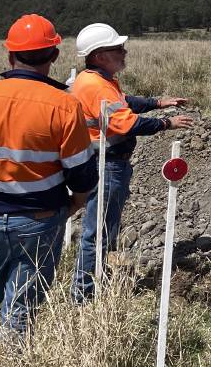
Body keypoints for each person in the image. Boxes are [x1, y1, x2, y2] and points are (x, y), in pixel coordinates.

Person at [0, 15, 98, 365]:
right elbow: (83, 175)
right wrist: (76, 203)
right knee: (21, 307)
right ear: (54, 55)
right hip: (41, 222)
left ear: (9, 55)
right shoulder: (64, 105)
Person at [70, 22, 193, 302]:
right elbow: (126, 122)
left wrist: (157, 102)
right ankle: (84, 296)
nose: (124, 51)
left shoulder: (97, 80)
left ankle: (93, 285)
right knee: (99, 233)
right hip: (106, 165)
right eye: (117, 48)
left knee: (103, 230)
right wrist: (167, 123)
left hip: (105, 162)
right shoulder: (96, 86)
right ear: (99, 55)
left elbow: (124, 101)